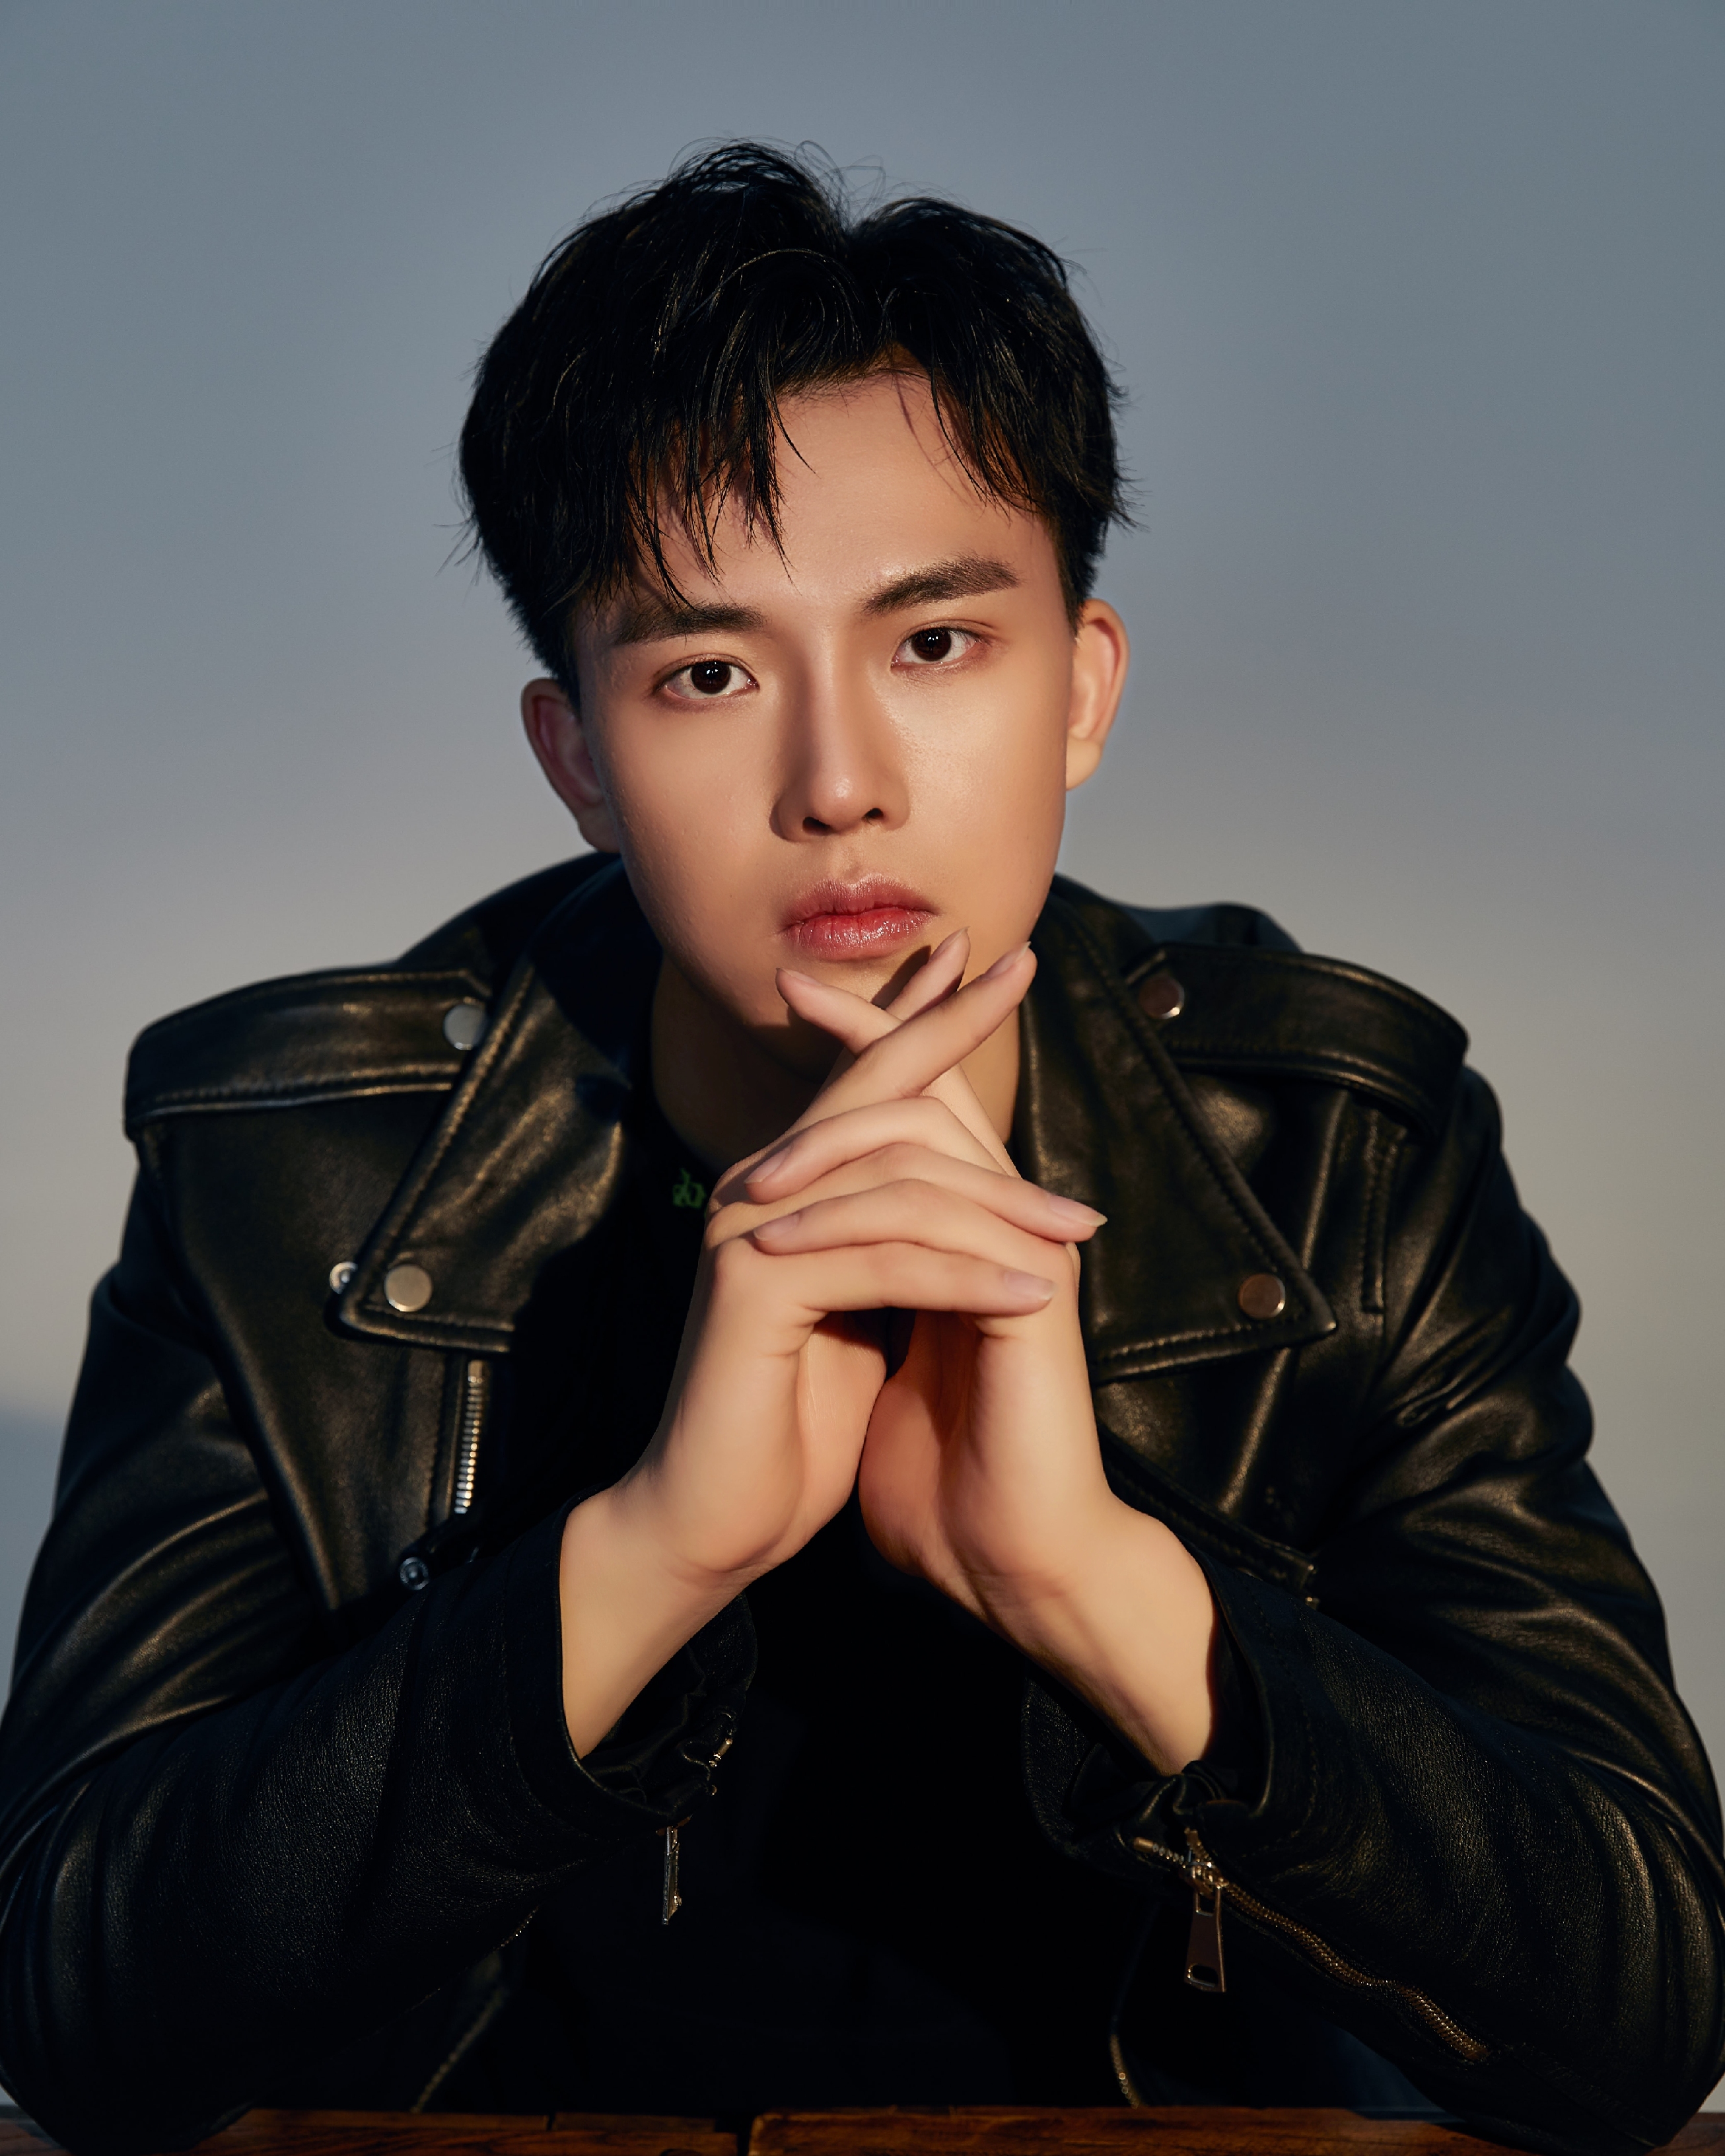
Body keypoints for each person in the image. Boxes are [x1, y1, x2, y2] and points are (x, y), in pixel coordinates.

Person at [0, 143, 1719, 2156]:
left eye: (933, 645)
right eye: (707, 673)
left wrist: (1084, 1578)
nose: (837, 784)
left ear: (1080, 688)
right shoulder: (291, 1178)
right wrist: (651, 1552)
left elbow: (1638, 2010)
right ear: (577, 758)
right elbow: (73, 2010)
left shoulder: (1333, 1152)